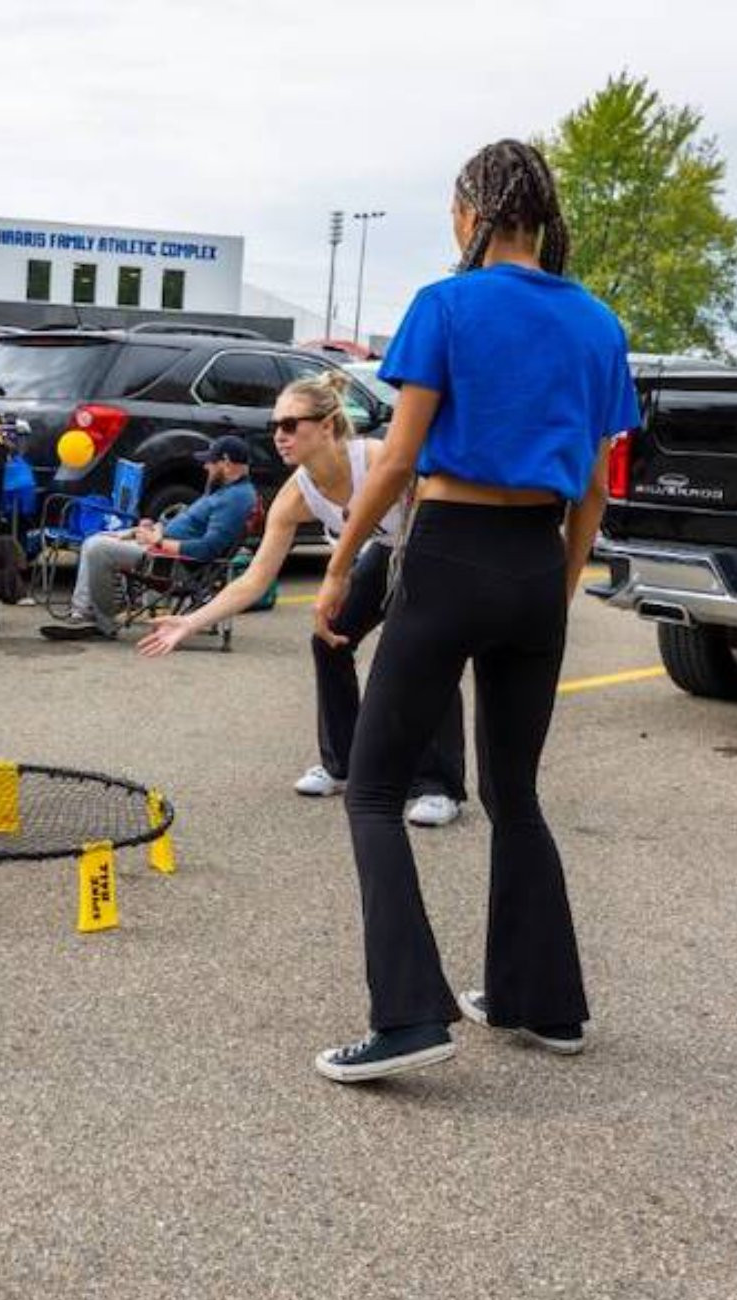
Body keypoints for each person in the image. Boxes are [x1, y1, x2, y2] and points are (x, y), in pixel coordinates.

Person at [301, 139, 641, 1085]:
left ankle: (409, 1015)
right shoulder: (598, 323)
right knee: (516, 793)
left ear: (473, 210)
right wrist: (560, 583)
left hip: (451, 550)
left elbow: (400, 456)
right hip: (537, 562)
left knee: (372, 789)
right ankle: (546, 1002)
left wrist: (338, 566)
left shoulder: (444, 304)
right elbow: (591, 488)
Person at [140, 371, 470, 823]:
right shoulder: (297, 494)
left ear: (329, 425)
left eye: (291, 424)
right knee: (329, 637)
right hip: (385, 549)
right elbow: (254, 579)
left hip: (432, 550)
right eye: (275, 425)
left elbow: (442, 501)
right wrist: (190, 621)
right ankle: (342, 765)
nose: (279, 435)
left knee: (426, 652)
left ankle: (439, 786)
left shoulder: (376, 460)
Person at [38, 437, 257, 642]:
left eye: (210, 462)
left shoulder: (235, 499)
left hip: (175, 564)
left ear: (226, 463)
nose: (205, 467)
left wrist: (158, 542)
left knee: (98, 548)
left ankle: (100, 622)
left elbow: (206, 550)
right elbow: (187, 525)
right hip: (163, 550)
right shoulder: (224, 491)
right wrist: (150, 529)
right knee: (99, 537)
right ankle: (84, 613)